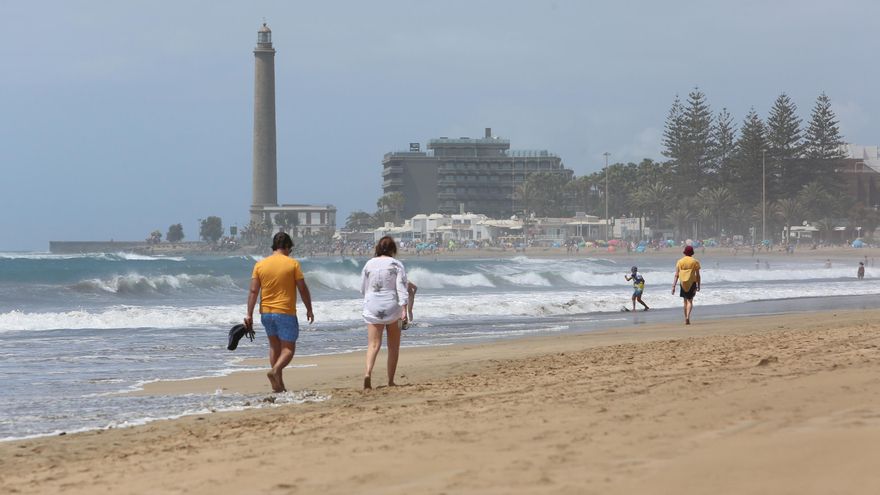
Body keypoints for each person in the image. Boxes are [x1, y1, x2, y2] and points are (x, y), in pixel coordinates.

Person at [245, 232, 314, 393]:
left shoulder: (260, 265)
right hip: (285, 312)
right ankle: (276, 371)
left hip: (266, 313)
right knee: (288, 349)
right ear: (288, 246)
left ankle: (278, 384)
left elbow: (253, 291)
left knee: (274, 347)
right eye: (290, 249)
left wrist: (249, 314)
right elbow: (302, 288)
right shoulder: (292, 264)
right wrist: (309, 309)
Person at [361, 236, 409, 390]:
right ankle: (390, 380)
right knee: (393, 347)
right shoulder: (396, 264)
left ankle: (368, 372)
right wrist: (405, 309)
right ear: (393, 249)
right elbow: (402, 288)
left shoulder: (369, 264)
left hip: (373, 305)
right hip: (392, 306)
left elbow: (363, 288)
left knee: (373, 344)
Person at [672, 245, 701, 325]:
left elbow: (676, 275)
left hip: (683, 283)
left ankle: (686, 318)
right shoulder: (695, 261)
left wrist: (673, 286)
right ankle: (688, 316)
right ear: (692, 253)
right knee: (690, 300)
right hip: (692, 282)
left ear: (685, 252)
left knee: (685, 301)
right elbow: (698, 275)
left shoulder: (680, 261)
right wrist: (699, 285)